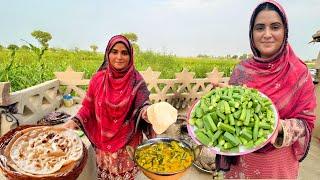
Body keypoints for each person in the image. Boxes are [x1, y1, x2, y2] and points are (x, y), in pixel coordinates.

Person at [217, 0, 317, 179]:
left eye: (275, 27)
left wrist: (281, 127)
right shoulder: (241, 70)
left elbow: (306, 122)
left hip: (277, 162)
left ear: (285, 31)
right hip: (241, 158)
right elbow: (231, 119)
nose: (267, 34)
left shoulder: (299, 73)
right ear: (251, 32)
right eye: (260, 28)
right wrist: (221, 100)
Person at [63, 35, 155, 179]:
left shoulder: (137, 81)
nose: (119, 57)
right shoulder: (97, 79)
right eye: (114, 52)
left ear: (131, 56)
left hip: (128, 144)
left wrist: (149, 114)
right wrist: (74, 121)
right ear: (107, 54)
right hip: (103, 145)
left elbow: (143, 106)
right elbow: (88, 108)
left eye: (124, 53)